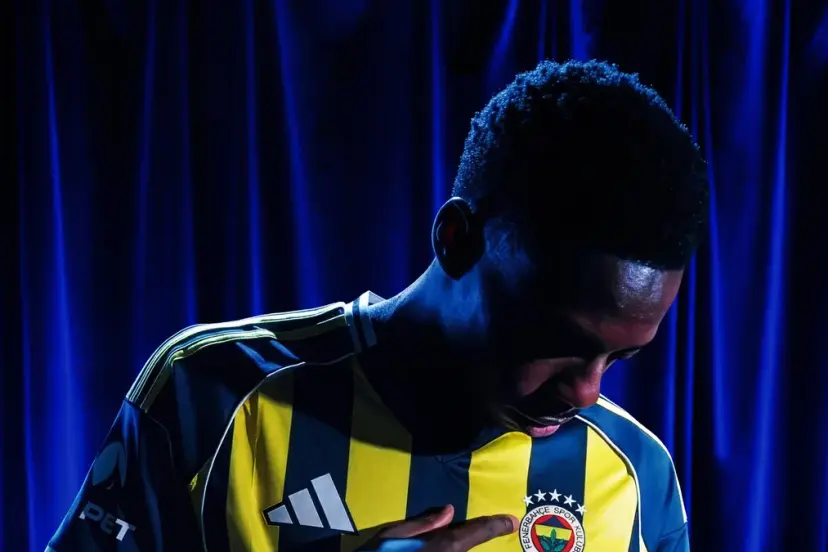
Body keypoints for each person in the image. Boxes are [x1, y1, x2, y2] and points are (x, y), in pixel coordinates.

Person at [47, 59, 708, 552]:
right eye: (554, 342)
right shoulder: (212, 393)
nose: (587, 392)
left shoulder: (637, 474)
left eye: (619, 358)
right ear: (457, 239)